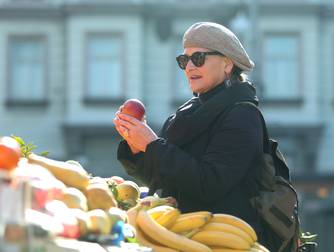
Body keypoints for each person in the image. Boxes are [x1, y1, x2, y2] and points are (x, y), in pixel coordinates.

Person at [113, 22, 273, 248]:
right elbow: (164, 181)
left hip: (222, 243)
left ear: (227, 63)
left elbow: (209, 183)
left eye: (198, 58)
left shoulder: (242, 114)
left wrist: (152, 145)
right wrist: (136, 146)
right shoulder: (189, 111)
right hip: (181, 237)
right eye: (184, 60)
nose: (189, 67)